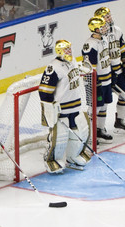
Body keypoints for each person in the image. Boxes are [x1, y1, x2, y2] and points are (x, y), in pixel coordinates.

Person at [39, 40, 91, 173]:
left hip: (75, 104)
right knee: (60, 136)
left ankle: (73, 156)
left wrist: (81, 67)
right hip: (62, 107)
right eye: (66, 49)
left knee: (79, 132)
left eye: (69, 48)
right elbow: (44, 90)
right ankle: (52, 160)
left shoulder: (72, 60)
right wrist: (51, 106)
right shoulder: (53, 67)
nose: (69, 51)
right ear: (60, 51)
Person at [80, 16, 117, 140]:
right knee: (95, 107)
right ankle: (90, 134)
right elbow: (90, 67)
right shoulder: (89, 45)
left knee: (104, 105)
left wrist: (112, 75)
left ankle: (100, 129)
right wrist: (95, 82)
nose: (105, 28)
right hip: (94, 82)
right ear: (95, 29)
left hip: (106, 79)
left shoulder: (104, 39)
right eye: (102, 27)